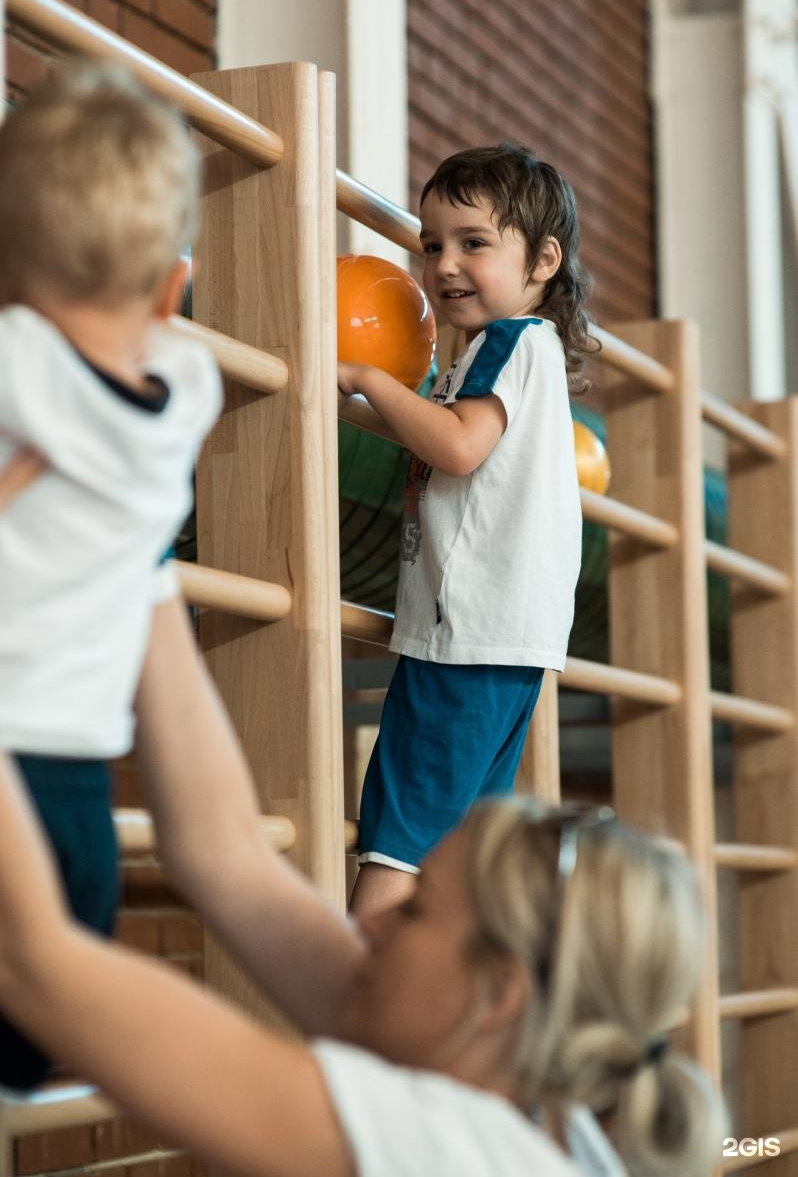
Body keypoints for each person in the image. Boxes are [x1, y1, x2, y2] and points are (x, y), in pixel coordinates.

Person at [0, 726, 726, 1176]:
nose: (368, 927)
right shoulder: (535, 1113)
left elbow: (27, 959)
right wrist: (144, 553)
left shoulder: (447, 1154)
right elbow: (225, 857)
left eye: (412, 912)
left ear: (503, 992)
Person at [0, 60, 227, 1088]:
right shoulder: (184, 397)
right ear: (173, 289)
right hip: (81, 817)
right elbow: (160, 340)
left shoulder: (15, 364)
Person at [338, 144, 593, 916]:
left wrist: (363, 378)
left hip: (470, 636)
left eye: (473, 243)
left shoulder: (511, 343)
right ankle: (423, 1019)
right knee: (451, 853)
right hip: (501, 638)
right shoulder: (510, 353)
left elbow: (455, 444)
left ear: (543, 260)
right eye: (431, 244)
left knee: (399, 837)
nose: (445, 264)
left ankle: (361, 1013)